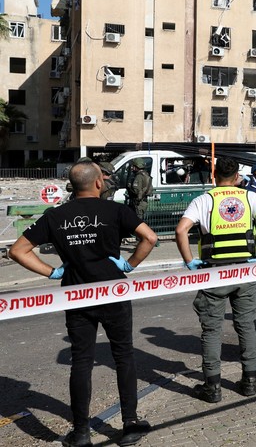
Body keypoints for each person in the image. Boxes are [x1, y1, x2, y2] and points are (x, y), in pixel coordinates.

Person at [9, 161, 157, 447]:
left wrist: (51, 272)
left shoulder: (56, 216)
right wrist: (130, 264)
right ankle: (129, 424)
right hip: (112, 291)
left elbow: (18, 250)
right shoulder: (115, 210)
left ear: (73, 186)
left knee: (82, 361)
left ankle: (80, 432)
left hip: (76, 295)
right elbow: (149, 237)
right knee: (123, 354)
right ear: (99, 183)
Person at [174, 157, 256, 403]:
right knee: (246, 326)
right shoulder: (250, 197)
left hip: (214, 272)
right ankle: (250, 382)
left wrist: (189, 262)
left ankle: (213, 388)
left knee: (211, 330)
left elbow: (180, 231)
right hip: (245, 272)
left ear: (214, 176)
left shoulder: (204, 200)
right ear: (237, 177)